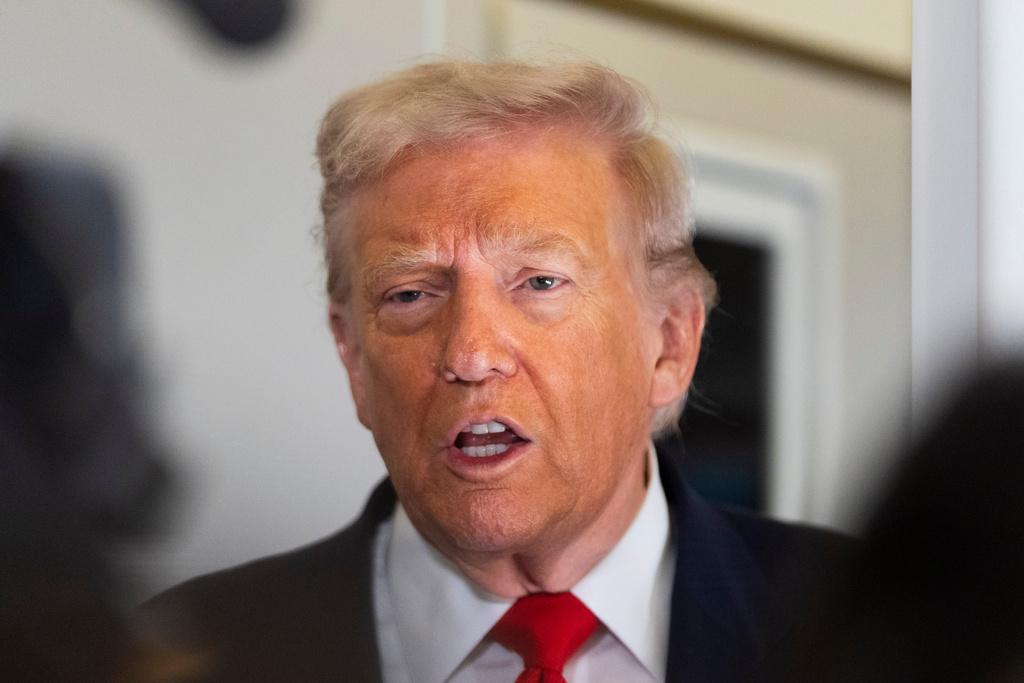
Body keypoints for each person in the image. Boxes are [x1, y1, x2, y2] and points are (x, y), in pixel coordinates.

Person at [137, 60, 851, 683]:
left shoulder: (874, 624)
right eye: (411, 294)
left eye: (539, 282)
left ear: (668, 343)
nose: (470, 355)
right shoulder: (179, 655)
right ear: (352, 356)